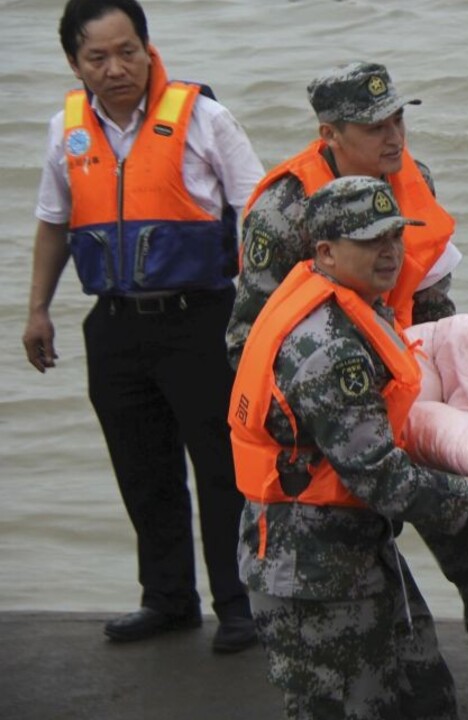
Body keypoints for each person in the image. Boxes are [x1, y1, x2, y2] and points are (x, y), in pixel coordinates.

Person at [225, 60, 468, 711]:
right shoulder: (282, 214)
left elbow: (430, 302)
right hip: (333, 416)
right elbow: (250, 342)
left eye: (399, 118)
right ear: (329, 131)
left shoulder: (410, 184)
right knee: (355, 611)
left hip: (406, 386)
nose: (393, 136)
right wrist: (336, 413)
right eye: (374, 126)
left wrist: (455, 400)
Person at [20, 0, 261, 653]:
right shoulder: (65, 131)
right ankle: (167, 600)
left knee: (221, 470)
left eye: (128, 51)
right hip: (116, 326)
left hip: (202, 319)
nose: (116, 68)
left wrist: (265, 314)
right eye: (97, 57)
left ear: (148, 48)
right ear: (75, 63)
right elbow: (53, 223)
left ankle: (241, 606)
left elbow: (262, 209)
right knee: (142, 469)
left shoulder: (203, 118)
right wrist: (37, 308)